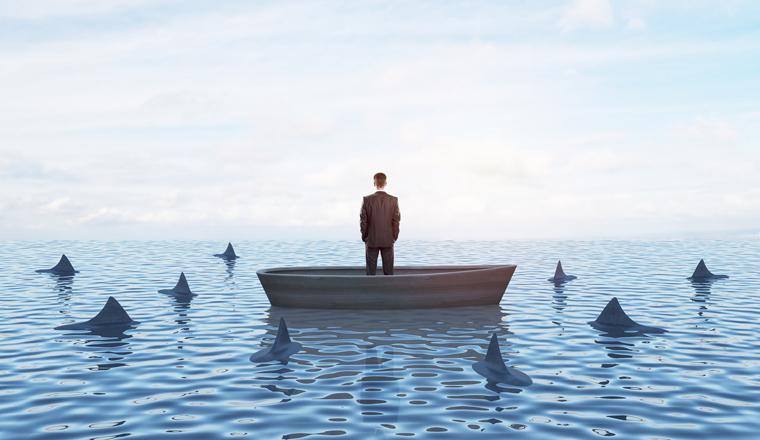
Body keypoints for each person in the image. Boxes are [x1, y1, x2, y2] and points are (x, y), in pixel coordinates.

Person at [360, 172, 401, 275]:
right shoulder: (393, 200)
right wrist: (394, 237)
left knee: (370, 273)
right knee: (388, 273)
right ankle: (388, 290)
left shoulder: (366, 200)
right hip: (388, 239)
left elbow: (363, 221)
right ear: (385, 183)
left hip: (371, 239)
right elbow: (396, 221)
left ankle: (371, 290)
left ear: (374, 184)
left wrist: (365, 237)